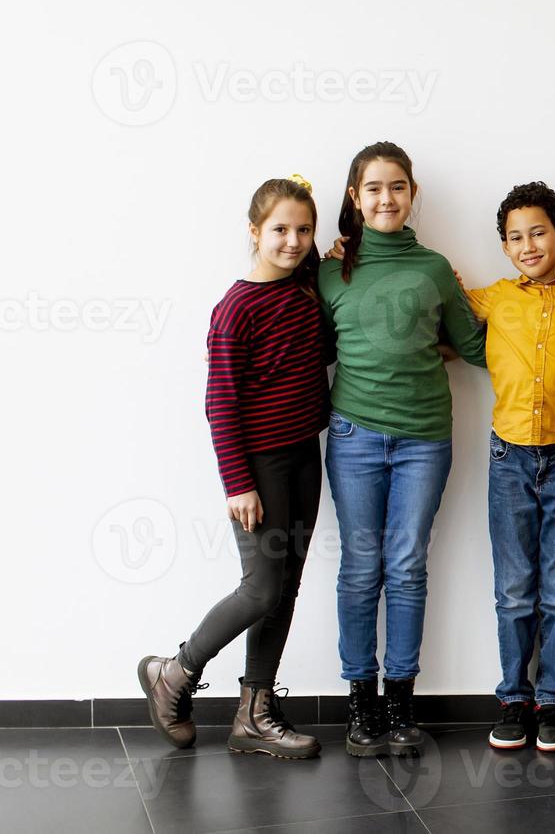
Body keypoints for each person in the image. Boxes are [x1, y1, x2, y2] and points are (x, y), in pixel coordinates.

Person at [137, 175, 331, 760]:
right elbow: (218, 402)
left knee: (286, 587)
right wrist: (238, 483)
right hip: (261, 466)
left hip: (305, 455)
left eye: (303, 230)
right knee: (260, 588)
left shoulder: (303, 290)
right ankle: (175, 672)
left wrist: (336, 255)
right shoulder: (236, 307)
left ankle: (254, 713)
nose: (293, 241)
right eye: (280, 230)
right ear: (254, 232)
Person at [318, 141, 488, 757]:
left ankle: (400, 703)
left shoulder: (437, 269)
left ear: (412, 193)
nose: (386, 199)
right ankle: (361, 705)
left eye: (397, 187)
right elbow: (316, 352)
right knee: (362, 568)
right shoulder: (329, 270)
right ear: (354, 198)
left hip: (424, 440)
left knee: (408, 565)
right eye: (373, 189)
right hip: (354, 437)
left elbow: (473, 347)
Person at [466, 182, 555, 753]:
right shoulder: (493, 298)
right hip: (508, 458)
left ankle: (553, 700)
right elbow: (436, 307)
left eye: (538, 232)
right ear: (504, 247)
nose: (527, 245)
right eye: (514, 238)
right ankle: (513, 699)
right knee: (515, 589)